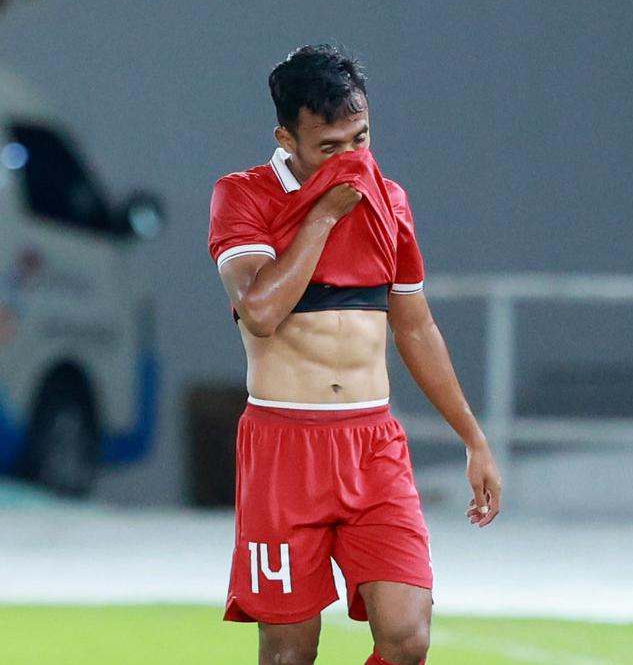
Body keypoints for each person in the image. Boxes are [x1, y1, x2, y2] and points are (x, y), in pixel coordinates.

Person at [208, 44, 502, 665]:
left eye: (360, 140)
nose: (350, 162)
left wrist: (473, 439)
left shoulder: (389, 201)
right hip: (285, 446)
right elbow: (260, 313)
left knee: (407, 634)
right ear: (286, 138)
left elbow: (416, 329)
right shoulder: (243, 197)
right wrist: (321, 218)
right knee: (289, 649)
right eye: (330, 148)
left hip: (372, 444)